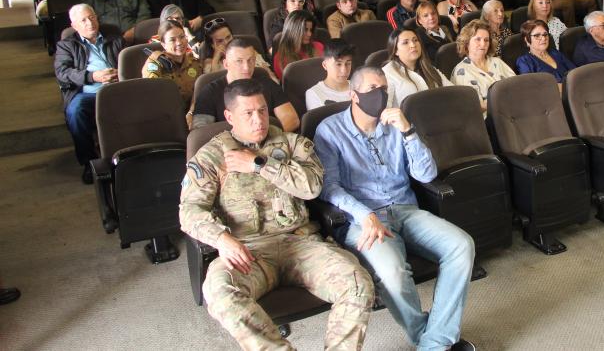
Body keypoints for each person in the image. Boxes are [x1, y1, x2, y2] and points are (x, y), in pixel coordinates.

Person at [180, 78, 373, 350]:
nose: (258, 120)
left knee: (357, 284)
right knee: (220, 293)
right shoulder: (212, 156)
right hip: (248, 251)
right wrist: (222, 239)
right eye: (248, 113)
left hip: (302, 243)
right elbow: (189, 210)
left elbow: (312, 187)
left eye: (262, 110)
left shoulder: (293, 144)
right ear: (229, 116)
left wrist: (260, 164)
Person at [314, 67, 476, 351]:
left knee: (462, 246)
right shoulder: (330, 130)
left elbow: (426, 174)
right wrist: (365, 214)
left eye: (384, 89)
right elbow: (330, 188)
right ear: (354, 95)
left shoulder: (396, 122)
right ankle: (432, 339)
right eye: (372, 89)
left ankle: (433, 342)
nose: (380, 95)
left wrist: (408, 131)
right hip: (363, 219)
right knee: (392, 273)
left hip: (405, 209)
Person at [54, 4, 124, 184]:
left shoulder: (114, 38)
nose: (89, 23)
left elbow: (128, 61)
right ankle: (89, 162)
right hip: (88, 94)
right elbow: (63, 73)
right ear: (74, 25)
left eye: (92, 17)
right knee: (76, 111)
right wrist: (93, 76)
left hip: (117, 90)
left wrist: (120, 73)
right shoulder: (67, 45)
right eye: (83, 20)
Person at [193, 38, 298, 131]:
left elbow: (292, 120)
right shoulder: (209, 93)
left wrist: (263, 139)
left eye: (250, 60)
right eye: (239, 61)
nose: (246, 67)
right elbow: (200, 133)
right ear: (226, 64)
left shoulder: (267, 83)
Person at [451, 19, 515, 114]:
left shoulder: (497, 62)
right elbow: (473, 107)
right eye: (478, 39)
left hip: (512, 110)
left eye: (486, 40)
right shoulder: (461, 71)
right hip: (487, 118)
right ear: (467, 43)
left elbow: (516, 85)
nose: (483, 44)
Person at [142, 20, 203, 110]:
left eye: (182, 37)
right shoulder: (155, 62)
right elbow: (152, 94)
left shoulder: (194, 62)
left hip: (195, 111)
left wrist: (191, 112)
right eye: (172, 40)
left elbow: (201, 91)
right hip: (167, 113)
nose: (179, 42)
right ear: (163, 44)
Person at [382, 28, 451, 107]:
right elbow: (386, 110)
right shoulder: (387, 73)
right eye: (405, 42)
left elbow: (452, 90)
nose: (413, 45)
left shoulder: (428, 68)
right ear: (395, 51)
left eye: (415, 40)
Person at [201, 17, 276, 81]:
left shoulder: (248, 52)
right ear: (212, 45)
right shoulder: (209, 63)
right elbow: (214, 85)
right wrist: (215, 59)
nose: (226, 42)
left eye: (228, 37)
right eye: (220, 41)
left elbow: (270, 76)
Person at [517, 19, 576, 84]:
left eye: (545, 34)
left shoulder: (555, 53)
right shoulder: (524, 61)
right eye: (537, 35)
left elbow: (575, 72)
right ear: (527, 40)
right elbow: (531, 86)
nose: (543, 38)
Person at [272, 10, 324, 80]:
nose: (309, 34)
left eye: (310, 30)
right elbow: (289, 84)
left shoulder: (318, 46)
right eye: (305, 30)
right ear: (293, 31)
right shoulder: (280, 59)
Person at [306, 41, 355, 110]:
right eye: (338, 64)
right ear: (325, 65)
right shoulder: (314, 93)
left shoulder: (359, 87)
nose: (344, 70)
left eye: (348, 64)